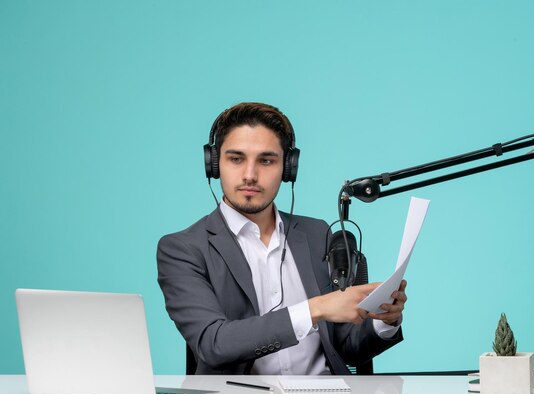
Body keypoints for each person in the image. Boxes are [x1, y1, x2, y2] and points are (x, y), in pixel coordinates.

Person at [157, 102, 407, 375]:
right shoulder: (182, 249)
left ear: (288, 168)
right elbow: (213, 343)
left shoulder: (315, 234)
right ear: (215, 164)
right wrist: (315, 309)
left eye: (266, 160)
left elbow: (345, 348)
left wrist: (383, 321)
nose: (250, 175)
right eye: (236, 159)